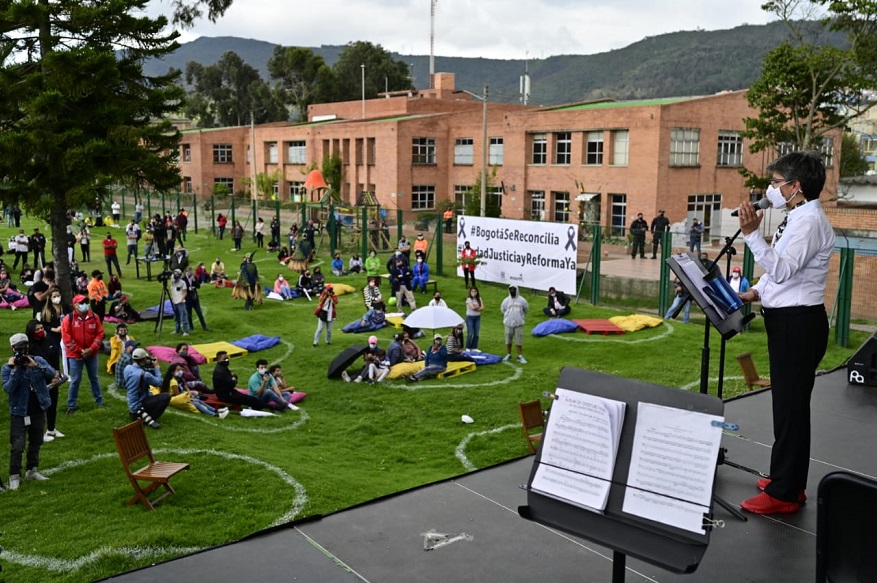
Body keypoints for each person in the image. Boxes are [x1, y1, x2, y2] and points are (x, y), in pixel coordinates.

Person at [736, 150, 835, 515]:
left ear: (796, 187)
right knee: (787, 407)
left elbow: (783, 270)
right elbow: (778, 274)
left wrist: (750, 235)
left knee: (791, 410)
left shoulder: (809, 222)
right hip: (788, 321)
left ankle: (784, 492)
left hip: (799, 325)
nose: (771, 189)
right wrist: (756, 292)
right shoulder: (796, 218)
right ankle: (786, 479)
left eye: (777, 183)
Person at [2, 333, 55, 490]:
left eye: (25, 347)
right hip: (19, 411)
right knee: (18, 445)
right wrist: (16, 370)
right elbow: (8, 388)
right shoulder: (7, 368)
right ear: (13, 349)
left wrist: (36, 366)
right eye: (19, 348)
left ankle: (32, 470)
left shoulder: (37, 361)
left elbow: (53, 374)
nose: (23, 351)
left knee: (36, 441)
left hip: (38, 408)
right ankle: (14, 475)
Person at [62, 294, 105, 413]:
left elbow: (100, 334)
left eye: (86, 302)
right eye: (81, 303)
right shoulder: (68, 319)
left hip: (92, 353)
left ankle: (99, 401)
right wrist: (81, 351)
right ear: (75, 305)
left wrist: (91, 349)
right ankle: (71, 405)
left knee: (94, 378)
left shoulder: (94, 317)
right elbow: (67, 339)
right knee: (75, 380)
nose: (85, 305)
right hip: (75, 355)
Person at [26, 320, 67, 443]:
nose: (40, 331)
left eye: (41, 328)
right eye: (37, 329)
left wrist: (57, 373)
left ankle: (51, 428)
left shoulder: (48, 340)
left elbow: (55, 357)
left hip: (53, 377)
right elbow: (35, 365)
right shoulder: (30, 347)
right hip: (39, 380)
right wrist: (50, 375)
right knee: (39, 408)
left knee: (52, 404)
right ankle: (38, 432)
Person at [123, 348, 170, 429]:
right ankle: (150, 417)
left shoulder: (127, 368)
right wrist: (156, 368)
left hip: (132, 406)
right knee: (166, 396)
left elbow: (140, 370)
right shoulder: (145, 375)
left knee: (151, 394)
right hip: (140, 405)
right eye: (145, 359)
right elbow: (159, 383)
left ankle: (138, 415)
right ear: (142, 360)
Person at [159, 363, 228, 418]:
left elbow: (184, 389)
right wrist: (190, 398)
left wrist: (190, 395)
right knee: (196, 403)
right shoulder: (173, 382)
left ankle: (216, 411)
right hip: (176, 399)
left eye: (181, 370)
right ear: (173, 373)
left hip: (179, 397)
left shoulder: (178, 379)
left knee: (198, 400)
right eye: (178, 370)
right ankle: (215, 415)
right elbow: (178, 395)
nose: (181, 372)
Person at [501, 284, 529, 364]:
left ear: (517, 290)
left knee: (519, 340)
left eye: (514, 289)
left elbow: (526, 309)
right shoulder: (506, 300)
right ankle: (508, 354)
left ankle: (520, 356)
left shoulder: (522, 300)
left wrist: (519, 316)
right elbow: (502, 309)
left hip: (518, 324)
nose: (512, 291)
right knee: (508, 339)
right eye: (511, 289)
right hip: (508, 323)